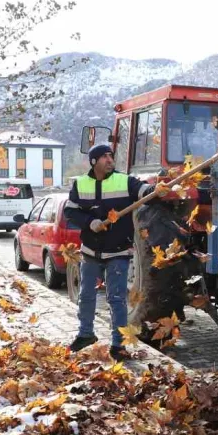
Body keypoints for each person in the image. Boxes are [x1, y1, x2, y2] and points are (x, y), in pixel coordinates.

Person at [64, 143, 167, 361]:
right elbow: (70, 211)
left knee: (117, 299)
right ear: (94, 162)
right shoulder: (81, 184)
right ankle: (86, 334)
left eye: (111, 156)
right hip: (91, 251)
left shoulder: (124, 181)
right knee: (86, 296)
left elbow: (143, 191)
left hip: (118, 252)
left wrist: (155, 190)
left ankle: (118, 344)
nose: (110, 160)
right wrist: (90, 222)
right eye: (105, 157)